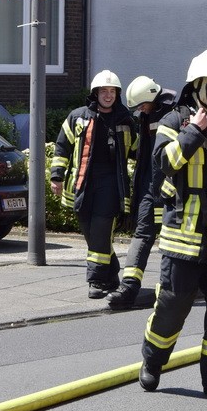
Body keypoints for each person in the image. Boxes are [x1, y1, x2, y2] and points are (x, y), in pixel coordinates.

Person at [138, 48, 207, 399]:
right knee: (171, 308)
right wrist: (193, 133)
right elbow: (162, 167)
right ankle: (152, 362)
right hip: (181, 240)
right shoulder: (174, 122)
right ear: (199, 85)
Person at [50, 70, 136, 299]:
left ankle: (96, 281)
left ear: (117, 94)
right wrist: (56, 176)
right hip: (83, 184)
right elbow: (62, 147)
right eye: (104, 91)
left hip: (111, 183)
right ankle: (111, 274)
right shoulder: (77, 117)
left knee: (100, 229)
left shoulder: (126, 119)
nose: (108, 95)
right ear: (95, 93)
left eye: (112, 91)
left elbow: (139, 150)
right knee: (91, 231)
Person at [104, 76, 177, 311]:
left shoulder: (176, 114)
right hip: (148, 186)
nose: (140, 111)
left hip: (172, 190)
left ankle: (180, 285)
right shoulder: (147, 115)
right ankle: (129, 286)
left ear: (153, 97)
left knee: (173, 240)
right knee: (142, 234)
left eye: (142, 105)